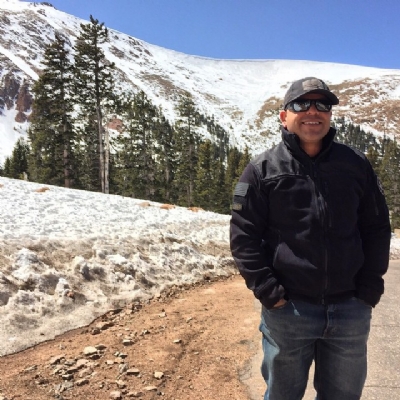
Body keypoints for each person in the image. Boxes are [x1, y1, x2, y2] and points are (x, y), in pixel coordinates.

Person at [230, 77, 391, 400]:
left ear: (330, 114)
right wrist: (269, 292)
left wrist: (370, 286)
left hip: (350, 309)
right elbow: (243, 235)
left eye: (322, 105)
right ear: (284, 116)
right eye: (301, 104)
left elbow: (376, 227)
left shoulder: (355, 165)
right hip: (289, 311)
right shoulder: (262, 169)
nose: (312, 111)